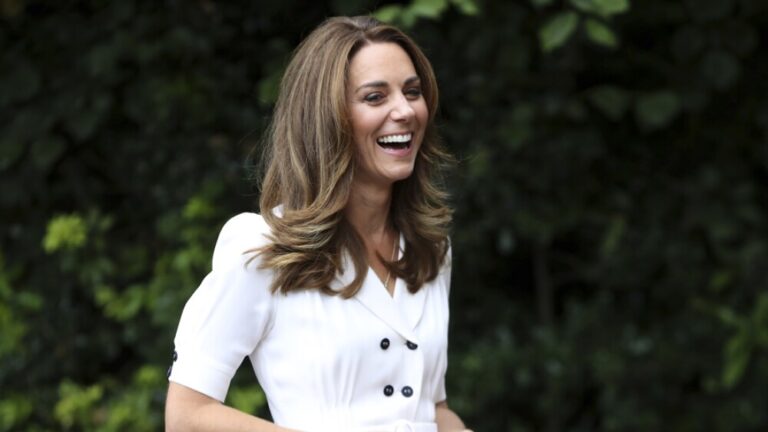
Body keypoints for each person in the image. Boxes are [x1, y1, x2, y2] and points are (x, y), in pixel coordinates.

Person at [165, 15, 470, 432]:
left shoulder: (429, 248)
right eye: (375, 97)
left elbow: (432, 408)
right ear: (327, 117)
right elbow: (187, 416)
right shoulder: (263, 247)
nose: (405, 110)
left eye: (412, 92)